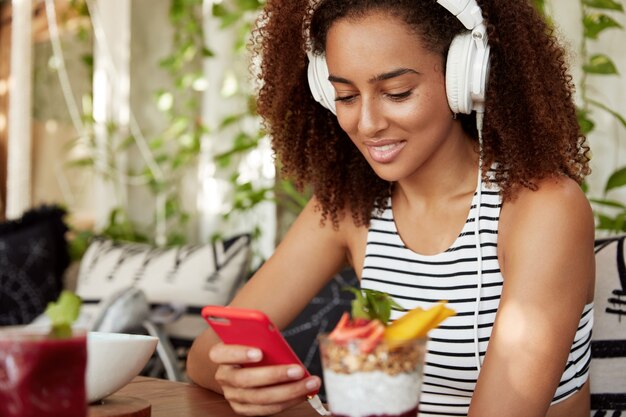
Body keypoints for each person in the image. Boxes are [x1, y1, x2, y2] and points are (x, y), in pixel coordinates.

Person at [187, 0, 595, 416]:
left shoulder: (543, 209)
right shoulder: (351, 207)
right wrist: (264, 389)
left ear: (465, 79)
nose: (366, 124)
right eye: (345, 96)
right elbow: (207, 352)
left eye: (397, 93)